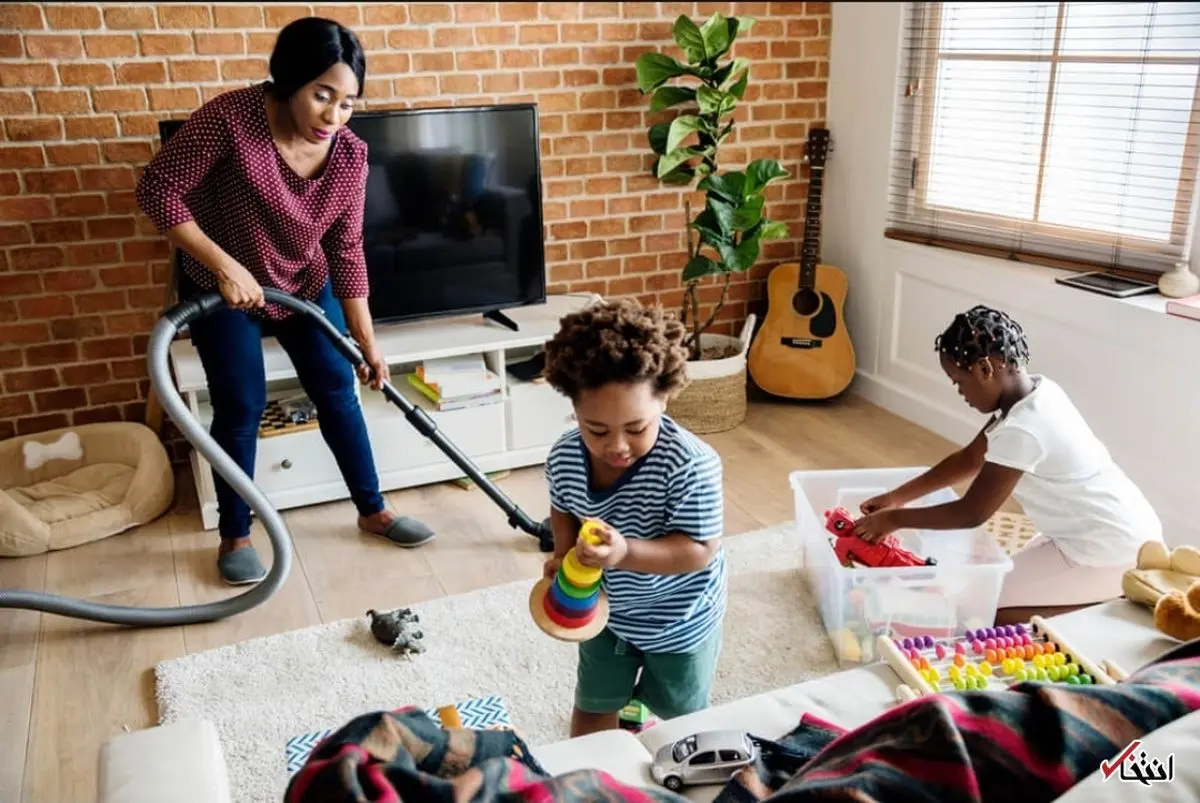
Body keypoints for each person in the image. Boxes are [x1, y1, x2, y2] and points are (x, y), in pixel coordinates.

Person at [136, 17, 435, 586]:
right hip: (222, 287)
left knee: (336, 387)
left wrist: (366, 343)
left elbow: (347, 249)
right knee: (240, 403)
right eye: (322, 95)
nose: (333, 115)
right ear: (288, 80)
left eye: (347, 102)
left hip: (301, 282)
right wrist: (225, 265)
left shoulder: (349, 155)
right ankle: (236, 533)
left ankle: (373, 510)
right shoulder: (231, 120)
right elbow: (157, 188)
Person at [854, 305, 1163, 616]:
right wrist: (896, 498)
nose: (961, 392)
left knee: (987, 612)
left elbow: (971, 513)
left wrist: (894, 520)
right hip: (1103, 531)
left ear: (986, 370)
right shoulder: (1038, 393)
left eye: (959, 382)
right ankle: (1100, 590)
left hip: (1107, 549)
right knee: (984, 589)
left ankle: (1108, 604)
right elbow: (970, 458)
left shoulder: (1024, 430)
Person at [540, 298, 727, 738]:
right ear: (574, 409)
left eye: (636, 428)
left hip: (680, 619)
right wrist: (563, 553)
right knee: (592, 710)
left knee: (682, 725)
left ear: (665, 397)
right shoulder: (565, 456)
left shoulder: (691, 465)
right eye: (597, 430)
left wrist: (624, 552)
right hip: (605, 615)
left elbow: (699, 550)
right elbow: (564, 505)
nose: (617, 446)